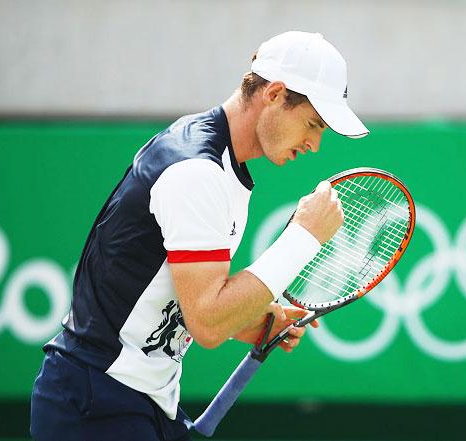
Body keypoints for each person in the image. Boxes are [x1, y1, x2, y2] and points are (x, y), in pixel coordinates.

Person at [30, 31, 369, 441]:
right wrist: (304, 237)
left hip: (135, 402)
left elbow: (188, 304)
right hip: (95, 403)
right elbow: (207, 322)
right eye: (313, 124)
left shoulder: (220, 163)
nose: (315, 144)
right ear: (275, 94)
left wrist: (253, 321)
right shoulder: (197, 171)